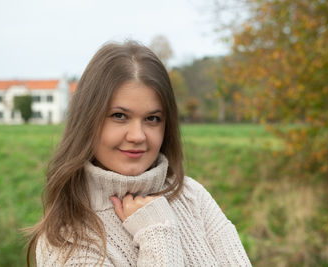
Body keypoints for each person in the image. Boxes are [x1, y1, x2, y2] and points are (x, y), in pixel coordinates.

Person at [26, 41, 252, 266]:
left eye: (152, 119)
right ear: (87, 120)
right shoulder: (67, 237)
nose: (137, 136)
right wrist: (158, 234)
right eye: (119, 116)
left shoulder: (193, 196)